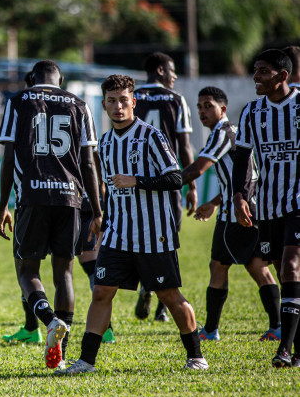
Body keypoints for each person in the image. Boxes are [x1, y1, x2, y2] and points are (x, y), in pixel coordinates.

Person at [57, 74, 207, 375]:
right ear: (105, 104)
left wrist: (136, 181)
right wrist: (102, 221)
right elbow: (112, 192)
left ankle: (196, 355)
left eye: (123, 100)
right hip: (118, 234)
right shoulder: (107, 142)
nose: (117, 106)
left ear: (133, 102)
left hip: (155, 236)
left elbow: (176, 178)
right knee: (101, 292)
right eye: (111, 101)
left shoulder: (151, 136)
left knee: (169, 295)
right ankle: (86, 361)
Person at [0, 60, 102, 370]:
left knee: (27, 271)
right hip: (71, 199)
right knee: (64, 274)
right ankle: (62, 356)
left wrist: (4, 204)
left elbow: (8, 157)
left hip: (32, 195)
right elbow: (89, 163)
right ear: (61, 78)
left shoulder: (18, 101)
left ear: (32, 78)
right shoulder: (80, 104)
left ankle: (49, 320)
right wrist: (97, 211)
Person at [180, 86, 280, 341]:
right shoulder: (234, 132)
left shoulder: (222, 133)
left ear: (222, 109)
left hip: (236, 213)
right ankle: (276, 327)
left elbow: (198, 169)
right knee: (254, 266)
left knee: (223, 266)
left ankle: (212, 330)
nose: (202, 111)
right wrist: (214, 201)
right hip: (249, 207)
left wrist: (159, 183)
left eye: (208, 106)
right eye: (199, 106)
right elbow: (242, 177)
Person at [232, 49, 300, 368]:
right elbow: (243, 157)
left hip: (299, 202)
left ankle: (284, 349)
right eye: (255, 70)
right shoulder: (252, 112)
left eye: (263, 71)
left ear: (282, 76)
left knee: (290, 265)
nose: (255, 77)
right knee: (281, 267)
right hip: (270, 204)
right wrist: (239, 196)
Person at [132, 52, 197, 322]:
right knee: (166, 240)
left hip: (135, 180)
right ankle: (161, 302)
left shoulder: (130, 98)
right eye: (171, 71)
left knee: (136, 236)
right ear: (159, 70)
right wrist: (190, 185)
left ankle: (147, 287)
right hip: (168, 181)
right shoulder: (176, 99)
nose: (174, 76)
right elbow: (183, 146)